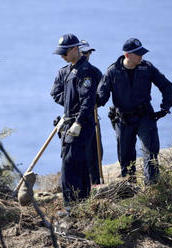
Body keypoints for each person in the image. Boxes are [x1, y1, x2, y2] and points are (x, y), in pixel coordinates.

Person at [97, 38, 172, 185]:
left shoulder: (147, 68)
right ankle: (129, 188)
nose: (141, 56)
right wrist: (94, 100)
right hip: (123, 120)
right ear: (127, 55)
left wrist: (166, 106)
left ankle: (152, 188)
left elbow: (166, 85)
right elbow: (102, 97)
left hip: (145, 116)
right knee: (126, 157)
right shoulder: (112, 72)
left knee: (150, 152)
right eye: (137, 54)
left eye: (141, 53)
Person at [50, 34, 97, 208]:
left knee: (69, 165)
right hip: (71, 121)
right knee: (80, 164)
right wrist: (69, 113)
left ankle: (70, 207)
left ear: (75, 49)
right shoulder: (70, 69)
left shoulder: (86, 71)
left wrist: (78, 122)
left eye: (65, 52)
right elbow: (61, 95)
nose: (62, 56)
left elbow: (88, 101)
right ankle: (83, 205)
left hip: (81, 124)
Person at [79, 40, 103, 185]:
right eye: (84, 52)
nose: (87, 55)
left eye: (89, 52)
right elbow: (57, 93)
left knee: (95, 151)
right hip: (74, 118)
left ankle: (95, 183)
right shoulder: (67, 72)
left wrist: (96, 101)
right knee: (76, 154)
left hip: (92, 116)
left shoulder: (95, 72)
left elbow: (103, 91)